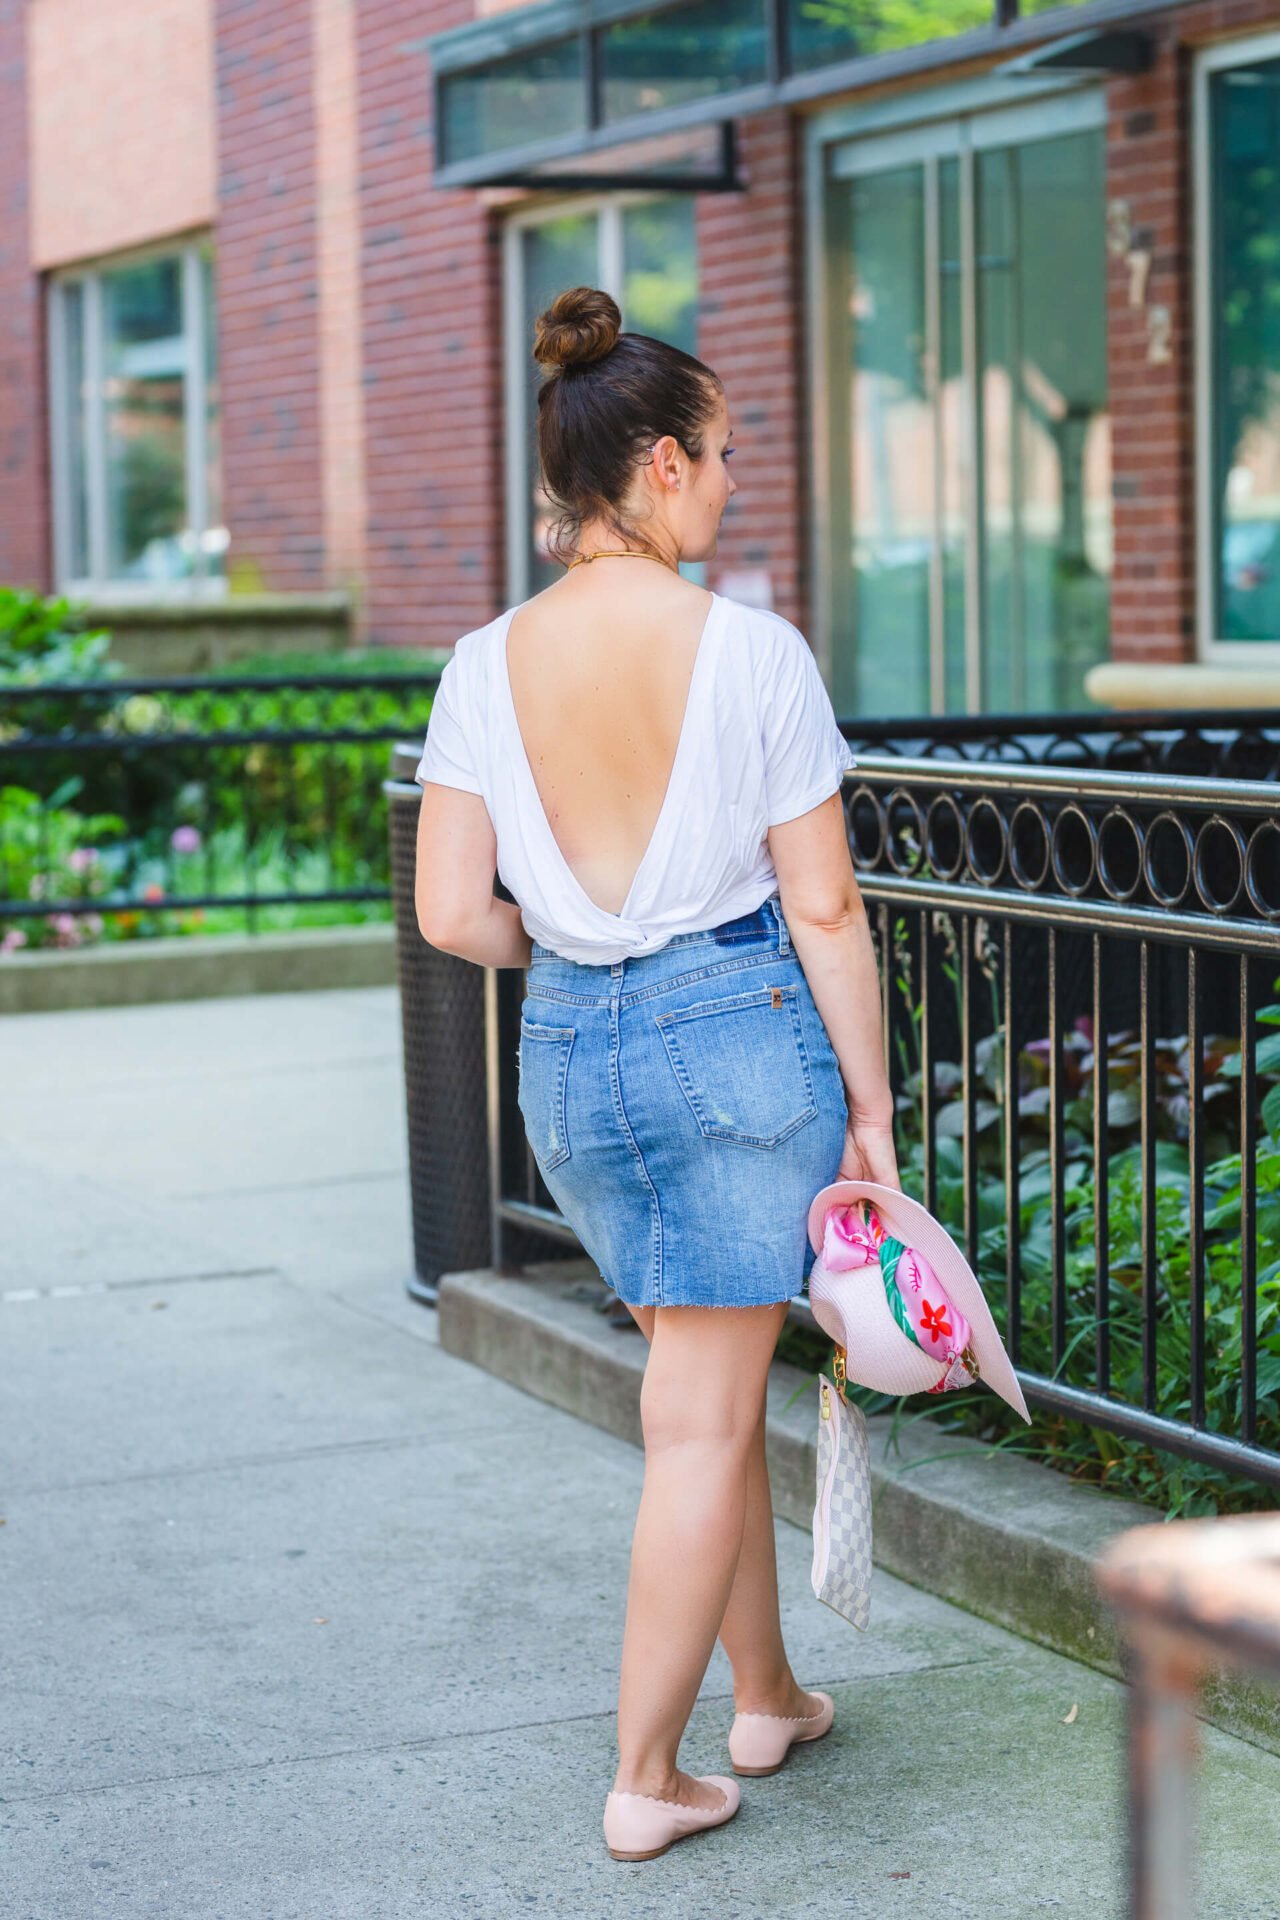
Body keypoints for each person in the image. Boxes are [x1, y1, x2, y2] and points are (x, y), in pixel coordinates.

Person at [413, 284, 899, 1863]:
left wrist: (563, 945)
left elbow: (443, 912)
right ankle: (646, 1776)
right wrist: (875, 1114)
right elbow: (822, 906)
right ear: (665, 467)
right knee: (699, 1409)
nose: (737, 479)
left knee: (706, 1367)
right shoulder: (753, 653)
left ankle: (766, 1690)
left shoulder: (484, 662)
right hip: (735, 1042)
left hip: (570, 1052)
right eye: (728, 454)